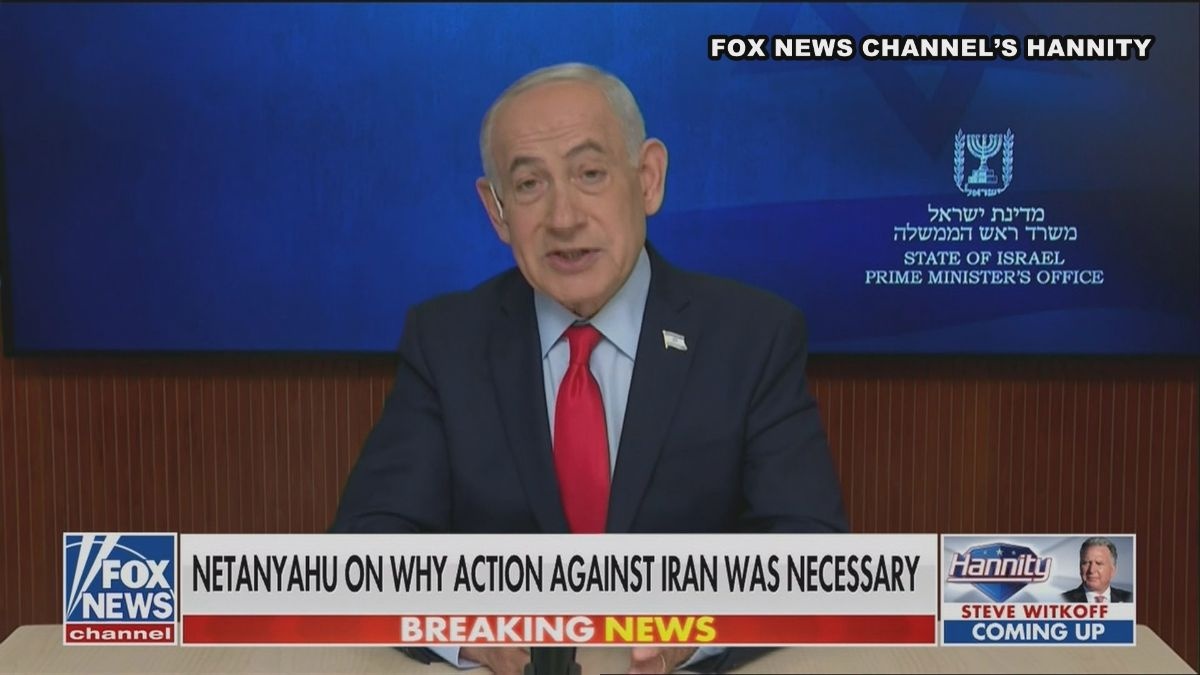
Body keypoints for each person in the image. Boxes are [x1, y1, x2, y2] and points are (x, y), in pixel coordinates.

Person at [331, 62, 848, 674]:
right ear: (497, 211)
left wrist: (695, 628)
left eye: (590, 173)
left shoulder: (754, 336)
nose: (564, 218)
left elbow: (809, 550)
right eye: (529, 184)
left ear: (648, 179)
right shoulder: (446, 341)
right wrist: (466, 627)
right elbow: (368, 548)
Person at [1060, 537, 1133, 603]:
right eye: (1086, 563)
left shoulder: (1131, 599)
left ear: (1113, 570)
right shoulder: (1062, 600)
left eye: (1099, 563)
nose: (1091, 570)